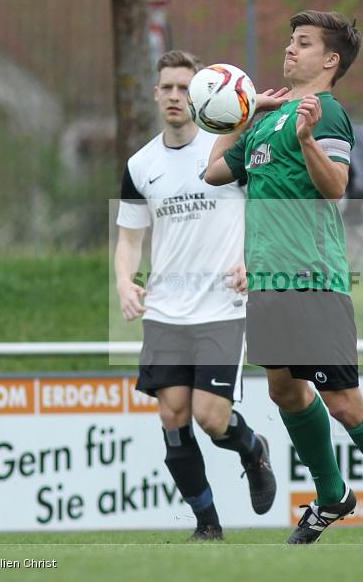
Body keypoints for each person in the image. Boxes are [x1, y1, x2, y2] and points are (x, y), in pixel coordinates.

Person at [205, 10, 363, 545]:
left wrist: (307, 139)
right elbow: (212, 172)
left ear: (330, 60)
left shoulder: (324, 113)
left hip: (313, 279)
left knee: (344, 401)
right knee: (285, 389)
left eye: (302, 43)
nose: (290, 49)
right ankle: (332, 496)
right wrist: (242, 114)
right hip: (267, 282)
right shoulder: (268, 117)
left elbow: (337, 188)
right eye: (290, 41)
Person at [114, 49, 276, 542]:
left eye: (184, 87)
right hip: (165, 310)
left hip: (221, 307)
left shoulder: (226, 153)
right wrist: (124, 280)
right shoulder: (141, 164)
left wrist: (254, 259)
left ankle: (252, 449)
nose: (174, 95)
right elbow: (129, 238)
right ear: (155, 93)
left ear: (202, 94)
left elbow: (267, 210)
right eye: (166, 87)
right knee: (172, 415)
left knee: (211, 417)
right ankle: (207, 526)